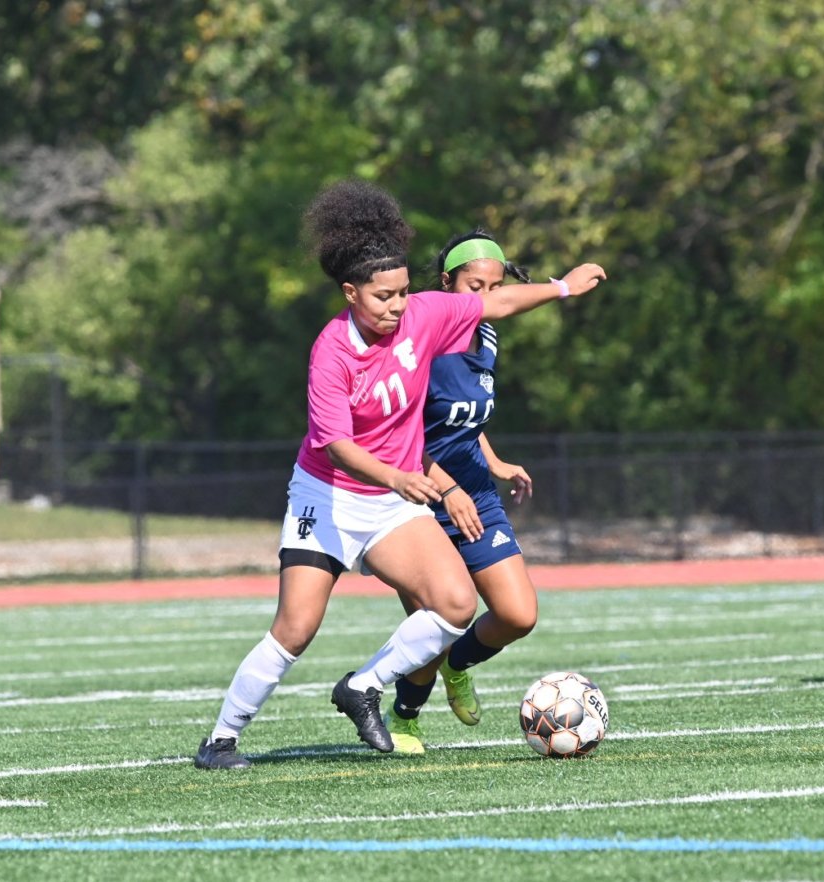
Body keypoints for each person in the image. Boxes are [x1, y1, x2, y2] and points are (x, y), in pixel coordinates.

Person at [194, 180, 606, 769]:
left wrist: (563, 287)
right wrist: (398, 477)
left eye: (403, 292)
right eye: (384, 296)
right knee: (296, 627)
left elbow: (495, 304)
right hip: (328, 497)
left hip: (390, 501)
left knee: (454, 604)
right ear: (350, 292)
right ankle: (221, 740)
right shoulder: (331, 351)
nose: (396, 306)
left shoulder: (422, 315)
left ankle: (363, 686)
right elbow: (335, 445)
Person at [383, 230, 541, 754]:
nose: (485, 298)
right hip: (419, 501)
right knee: (437, 621)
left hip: (477, 494)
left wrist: (494, 463)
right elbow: (403, 432)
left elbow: (467, 417)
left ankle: (458, 665)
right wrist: (445, 488)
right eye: (475, 285)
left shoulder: (490, 335)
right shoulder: (419, 341)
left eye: (495, 288)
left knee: (518, 614)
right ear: (447, 281)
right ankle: (404, 716)